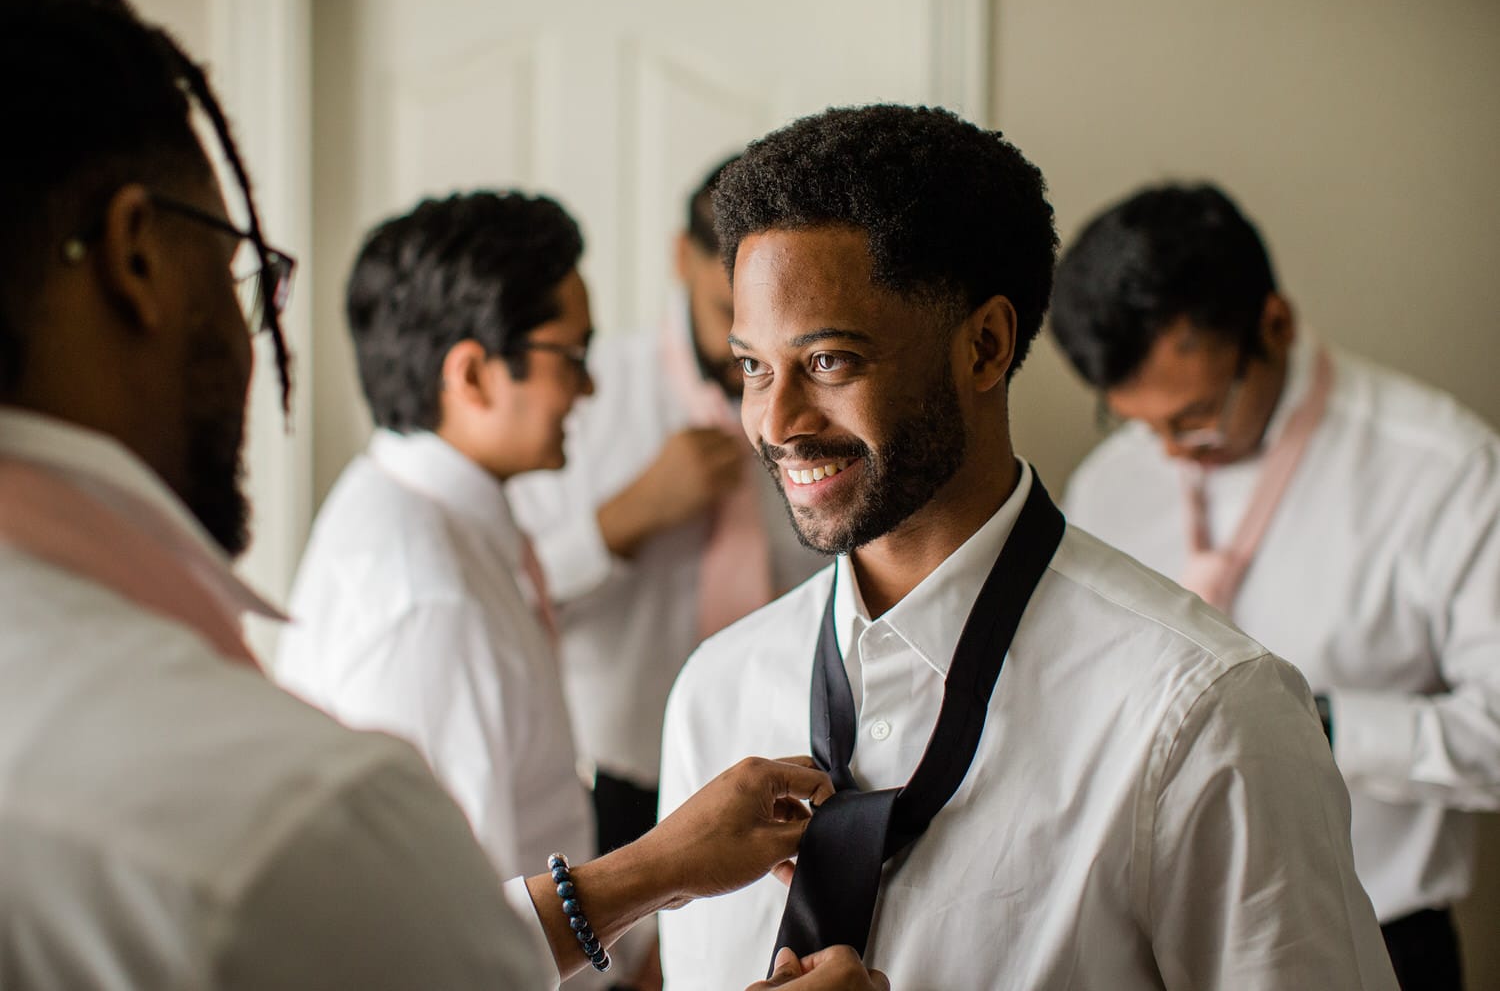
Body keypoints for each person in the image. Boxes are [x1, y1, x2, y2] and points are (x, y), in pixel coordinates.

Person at [0, 0, 889, 989]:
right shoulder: (362, 705)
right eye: (245, 264)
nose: (589, 387)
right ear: (135, 259)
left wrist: (656, 869)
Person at [656, 103, 1399, 990]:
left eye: (828, 362)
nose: (775, 424)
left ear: (985, 346)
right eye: (753, 368)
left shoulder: (1208, 719)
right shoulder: (714, 694)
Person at [1050, 182, 1500, 991]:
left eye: (1193, 417)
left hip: (1375, 941)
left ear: (1275, 325)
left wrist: (1311, 726)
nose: (1171, 453)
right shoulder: (1108, 484)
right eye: (1138, 423)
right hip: (1143, 937)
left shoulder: (1444, 469)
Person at [274, 191, 599, 912]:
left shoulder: (414, 510)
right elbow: (450, 925)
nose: (589, 386)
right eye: (573, 356)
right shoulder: (428, 598)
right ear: (473, 374)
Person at [509, 157, 825, 857]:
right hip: (619, 775)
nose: (743, 350)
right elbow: (512, 597)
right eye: (727, 317)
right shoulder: (582, 395)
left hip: (787, 763)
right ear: (682, 258)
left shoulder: (820, 405)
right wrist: (626, 517)